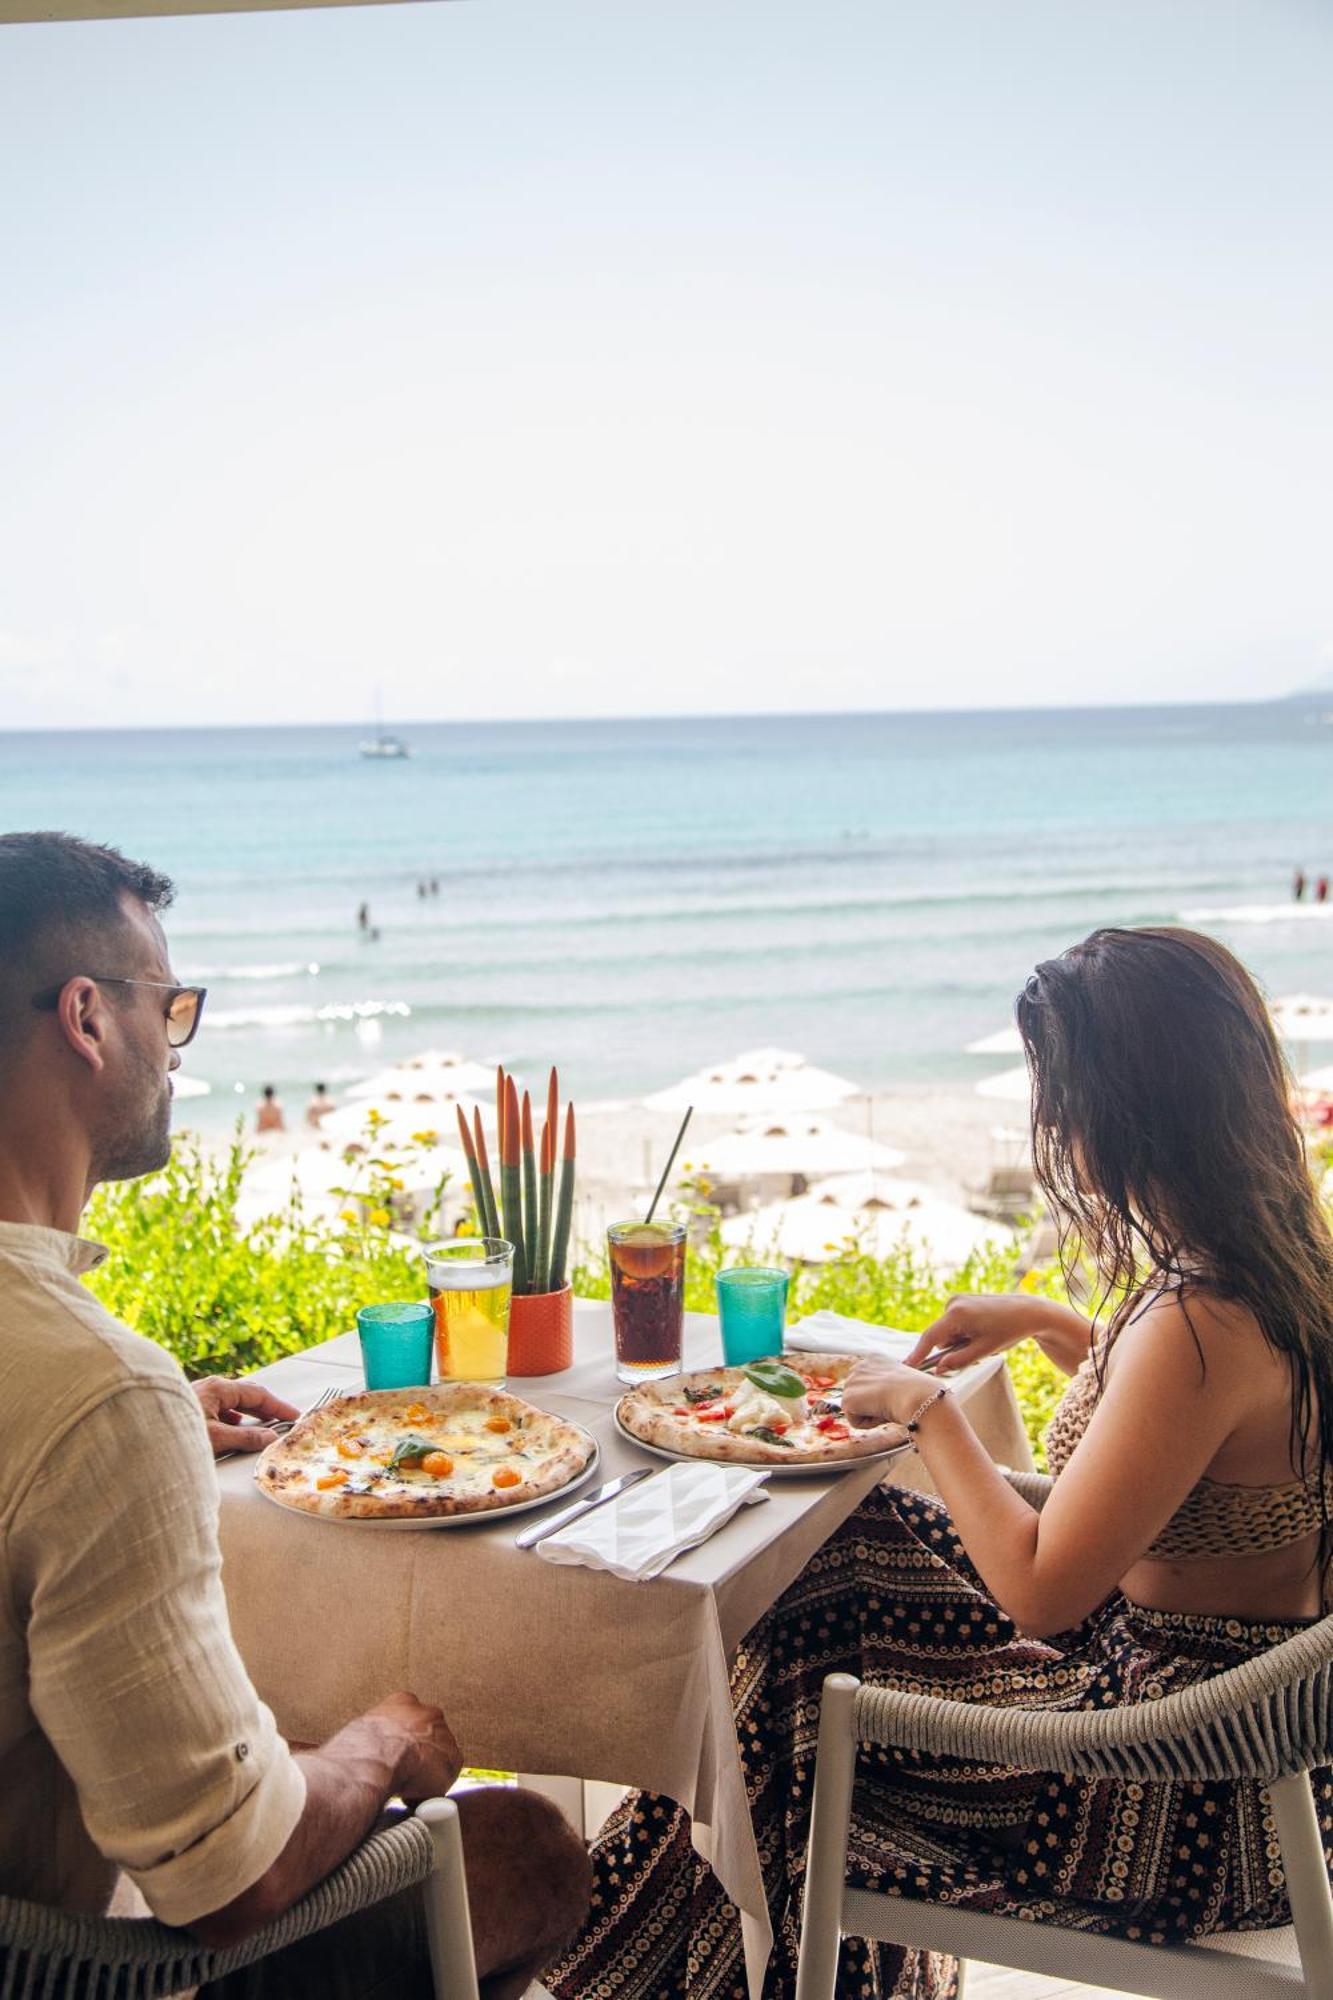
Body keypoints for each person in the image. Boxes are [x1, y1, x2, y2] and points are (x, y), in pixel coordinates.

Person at [549, 926, 1333, 2000]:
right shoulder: (1279, 1265)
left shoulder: (1194, 1325)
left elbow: (1042, 1589)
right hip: (1256, 1748)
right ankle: (682, 1950)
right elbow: (1186, 1458)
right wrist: (1053, 1323)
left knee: (789, 1652)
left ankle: (643, 1956)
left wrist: (931, 1414)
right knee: (835, 1554)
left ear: (1122, 1110)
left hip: (1168, 1792)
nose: (1050, 1121)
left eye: (1057, 1095)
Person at [0, 832, 589, 1999]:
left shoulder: (91, 1389)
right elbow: (232, 1878)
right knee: (530, 1848)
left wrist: (162, 1408)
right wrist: (382, 1741)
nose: (176, 1050)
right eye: (169, 1010)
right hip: (59, 1965)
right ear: (86, 1016)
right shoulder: (95, 1393)